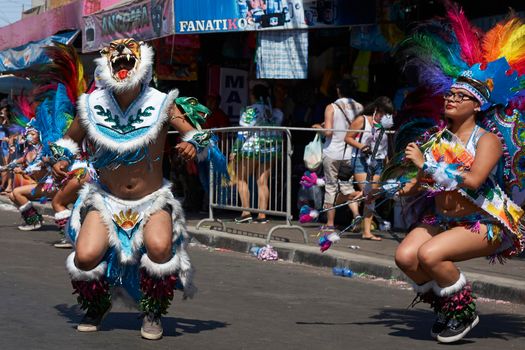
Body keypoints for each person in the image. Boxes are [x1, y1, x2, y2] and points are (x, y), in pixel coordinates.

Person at [51, 38, 212, 340]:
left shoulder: (162, 103)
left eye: (129, 62)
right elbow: (68, 142)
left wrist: (191, 145)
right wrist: (60, 160)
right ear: (108, 67)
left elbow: (196, 134)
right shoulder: (91, 105)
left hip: (150, 200)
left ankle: (152, 312)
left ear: (142, 65)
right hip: (105, 200)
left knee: (160, 248)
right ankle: (96, 305)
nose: (124, 68)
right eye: (118, 63)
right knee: (85, 258)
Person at [390, 5, 525, 343]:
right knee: (405, 256)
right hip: (443, 218)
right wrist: (402, 187)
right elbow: (424, 183)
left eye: (460, 96)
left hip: (484, 221)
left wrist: (427, 166)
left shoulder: (488, 140)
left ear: (476, 105)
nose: (450, 99)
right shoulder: (438, 139)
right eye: (449, 94)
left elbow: (475, 180)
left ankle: (463, 312)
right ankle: (449, 307)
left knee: (430, 255)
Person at [312, 79, 363, 233]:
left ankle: (330, 223)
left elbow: (328, 132)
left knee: (331, 188)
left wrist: (316, 128)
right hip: (351, 152)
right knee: (347, 186)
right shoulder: (360, 107)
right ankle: (356, 215)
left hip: (333, 152)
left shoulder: (332, 107)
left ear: (339, 90)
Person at [231, 84, 282, 224]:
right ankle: (262, 215)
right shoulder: (273, 111)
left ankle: (246, 212)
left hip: (252, 148)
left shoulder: (250, 110)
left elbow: (242, 133)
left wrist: (235, 151)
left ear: (253, 95)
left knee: (241, 178)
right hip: (270, 149)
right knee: (262, 182)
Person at [344, 96, 394, 241]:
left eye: (389, 114)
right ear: (377, 110)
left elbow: (385, 145)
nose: (386, 117)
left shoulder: (386, 125)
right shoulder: (362, 120)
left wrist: (388, 162)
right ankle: (345, 197)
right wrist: (362, 146)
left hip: (378, 161)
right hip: (360, 160)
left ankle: (366, 231)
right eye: (384, 113)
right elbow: (348, 137)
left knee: (371, 196)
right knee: (369, 193)